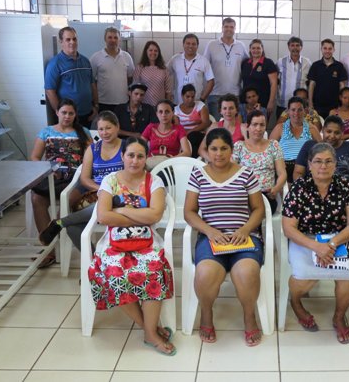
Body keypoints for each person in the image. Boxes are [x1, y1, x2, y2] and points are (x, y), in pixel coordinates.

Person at [90, 137, 176, 356]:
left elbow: (155, 214)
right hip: (113, 243)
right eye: (131, 155)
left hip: (147, 242)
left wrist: (120, 211)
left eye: (140, 156)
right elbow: (103, 216)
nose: (135, 161)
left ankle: (150, 332)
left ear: (146, 158)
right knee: (114, 275)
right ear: (122, 156)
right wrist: (139, 217)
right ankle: (149, 330)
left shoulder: (153, 181)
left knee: (153, 271)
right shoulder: (110, 180)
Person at [184, 128, 266, 347]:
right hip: (212, 239)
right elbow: (189, 211)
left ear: (232, 149)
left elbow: (259, 209)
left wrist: (245, 230)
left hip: (244, 238)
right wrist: (210, 231)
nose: (218, 153)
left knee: (247, 272)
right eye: (213, 149)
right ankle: (206, 313)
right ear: (207, 151)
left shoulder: (246, 173)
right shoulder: (198, 174)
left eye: (223, 148)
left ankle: (249, 316)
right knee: (205, 273)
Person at [282, 142, 349, 344]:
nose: (323, 166)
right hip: (306, 239)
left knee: (348, 276)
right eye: (317, 161)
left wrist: (331, 244)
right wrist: (317, 246)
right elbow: (289, 228)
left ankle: (338, 316)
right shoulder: (299, 188)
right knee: (303, 278)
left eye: (328, 161)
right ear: (309, 164)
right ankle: (296, 302)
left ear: (335, 164)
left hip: (338, 237)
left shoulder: (345, 186)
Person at [39, 111, 124, 250]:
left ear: (117, 127)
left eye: (108, 128)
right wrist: (100, 189)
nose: (104, 132)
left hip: (120, 195)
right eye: (101, 129)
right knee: (73, 228)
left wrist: (108, 191)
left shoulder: (126, 147)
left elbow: (133, 175)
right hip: (96, 193)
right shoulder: (93, 149)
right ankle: (95, 261)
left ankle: (61, 222)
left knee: (109, 200)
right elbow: (84, 178)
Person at [31, 99, 91, 266]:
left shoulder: (82, 132)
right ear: (57, 112)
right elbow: (35, 157)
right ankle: (49, 250)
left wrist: (83, 173)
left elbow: (91, 156)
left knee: (69, 197)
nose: (67, 116)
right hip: (51, 176)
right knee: (36, 199)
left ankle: (54, 228)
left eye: (71, 113)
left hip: (75, 177)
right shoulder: (46, 132)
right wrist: (45, 171)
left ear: (75, 115)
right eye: (64, 112)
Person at [293, 115, 349, 207]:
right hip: (313, 197)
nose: (332, 136)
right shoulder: (310, 146)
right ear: (322, 130)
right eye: (329, 131)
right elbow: (298, 172)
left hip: (344, 198)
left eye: (337, 133)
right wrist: (304, 190)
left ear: (342, 133)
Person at [233, 110, 287, 213]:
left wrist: (275, 189)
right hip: (244, 195)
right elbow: (231, 172)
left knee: (256, 210)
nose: (258, 128)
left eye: (262, 125)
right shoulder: (239, 146)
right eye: (255, 124)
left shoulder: (273, 145)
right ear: (248, 127)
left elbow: (282, 173)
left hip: (266, 196)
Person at [44, 27, 98, 128]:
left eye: (74, 39)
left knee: (86, 142)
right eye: (68, 39)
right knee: (71, 143)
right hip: (68, 117)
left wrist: (96, 106)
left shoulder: (85, 61)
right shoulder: (55, 64)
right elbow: (49, 91)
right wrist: (61, 114)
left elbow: (92, 84)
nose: (72, 42)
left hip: (87, 114)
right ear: (61, 42)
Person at [269, 97, 321, 183]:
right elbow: (269, 148)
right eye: (293, 110)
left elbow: (322, 148)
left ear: (305, 111)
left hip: (306, 167)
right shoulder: (280, 128)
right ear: (288, 111)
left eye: (300, 110)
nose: (296, 113)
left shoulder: (311, 128)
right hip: (285, 166)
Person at [204, 17, 248, 119]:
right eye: (226, 26)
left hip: (235, 94)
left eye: (231, 27)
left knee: (233, 128)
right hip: (215, 94)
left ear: (235, 29)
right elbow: (203, 64)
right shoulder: (212, 45)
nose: (229, 29)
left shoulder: (240, 46)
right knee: (217, 127)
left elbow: (249, 63)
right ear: (222, 28)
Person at [90, 27, 135, 113]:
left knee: (122, 126)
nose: (113, 40)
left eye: (115, 37)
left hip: (123, 101)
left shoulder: (127, 57)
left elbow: (130, 78)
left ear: (119, 39)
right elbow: (91, 81)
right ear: (105, 39)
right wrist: (95, 101)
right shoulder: (96, 57)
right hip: (103, 102)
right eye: (110, 37)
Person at [141, 100, 191, 170]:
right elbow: (139, 146)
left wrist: (170, 160)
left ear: (173, 113)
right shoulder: (151, 127)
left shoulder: (179, 129)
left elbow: (187, 152)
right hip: (151, 166)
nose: (163, 115)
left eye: (167, 112)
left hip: (171, 166)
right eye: (160, 112)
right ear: (156, 114)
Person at [167, 33, 214, 105]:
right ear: (183, 44)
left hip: (196, 103)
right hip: (177, 103)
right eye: (188, 43)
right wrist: (168, 94)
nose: (190, 46)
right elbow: (165, 75)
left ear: (197, 46)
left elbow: (211, 81)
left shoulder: (203, 61)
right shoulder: (175, 59)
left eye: (193, 44)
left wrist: (202, 99)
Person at [308, 38, 347, 119]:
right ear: (321, 49)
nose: (327, 51)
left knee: (332, 129)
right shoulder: (315, 65)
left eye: (330, 49)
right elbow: (311, 85)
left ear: (333, 50)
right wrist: (310, 103)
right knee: (317, 129)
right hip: (317, 106)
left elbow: (342, 86)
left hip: (335, 106)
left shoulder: (339, 66)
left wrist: (342, 104)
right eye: (325, 48)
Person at [241, 39, 278, 119]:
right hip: (246, 103)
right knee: (245, 127)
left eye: (258, 48)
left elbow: (274, 84)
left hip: (263, 102)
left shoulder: (268, 63)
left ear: (262, 49)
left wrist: (271, 102)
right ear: (250, 49)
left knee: (260, 127)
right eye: (253, 48)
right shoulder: (245, 63)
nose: (256, 50)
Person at [276, 36, 311, 118]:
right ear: (288, 47)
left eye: (297, 45)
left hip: (301, 105)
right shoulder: (280, 62)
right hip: (283, 104)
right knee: (281, 128)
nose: (295, 48)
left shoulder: (307, 63)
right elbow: (275, 80)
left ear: (301, 47)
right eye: (292, 45)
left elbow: (310, 83)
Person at [174, 84, 211, 157]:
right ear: (182, 96)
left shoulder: (200, 106)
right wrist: (185, 134)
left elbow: (206, 123)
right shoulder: (176, 110)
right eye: (187, 97)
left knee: (192, 136)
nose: (190, 99)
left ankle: (192, 160)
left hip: (199, 134)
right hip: (183, 136)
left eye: (192, 97)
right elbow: (177, 127)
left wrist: (191, 131)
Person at [133, 40, 173, 106]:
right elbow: (135, 88)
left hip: (160, 106)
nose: (153, 52)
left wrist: (168, 106)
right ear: (146, 52)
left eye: (156, 51)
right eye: (150, 50)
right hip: (144, 105)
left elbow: (168, 90)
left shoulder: (164, 69)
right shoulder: (140, 67)